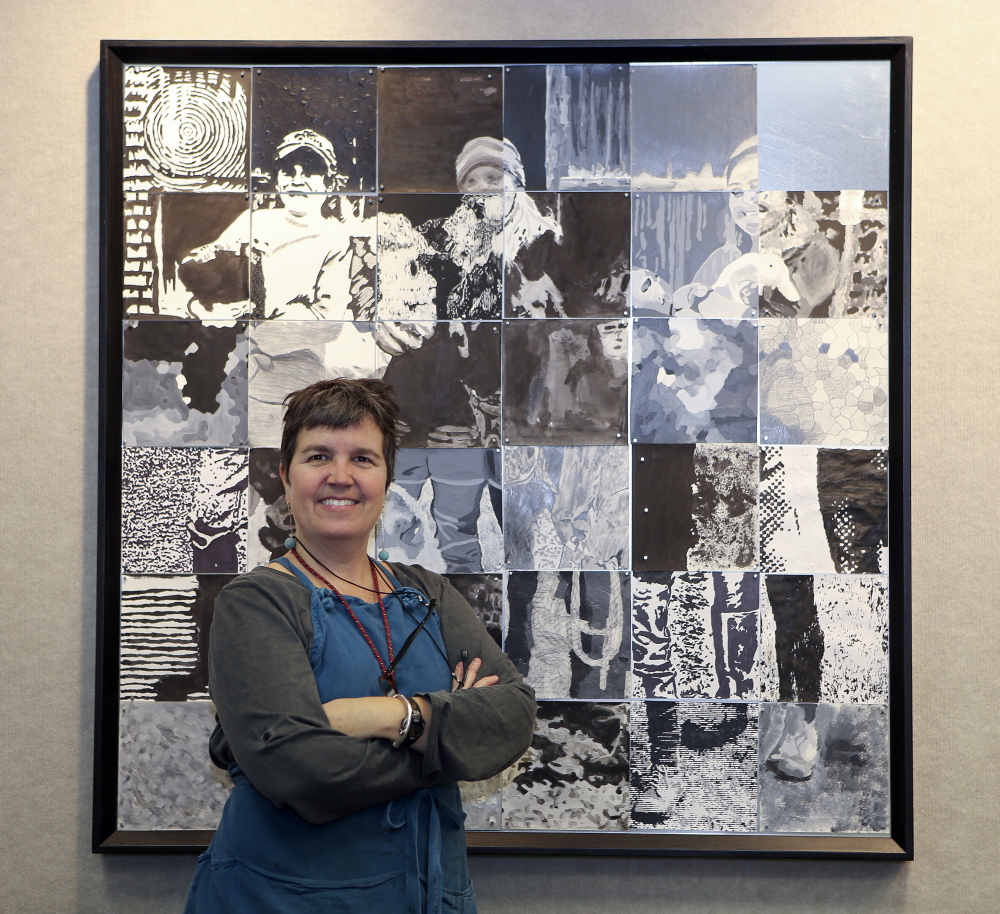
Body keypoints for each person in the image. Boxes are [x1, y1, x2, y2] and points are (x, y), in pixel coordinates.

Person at [185, 379, 536, 913]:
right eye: (318, 455)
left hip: (428, 896)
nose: (340, 477)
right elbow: (302, 773)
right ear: (286, 475)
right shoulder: (254, 604)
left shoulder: (430, 594)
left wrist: (386, 717)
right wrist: (449, 741)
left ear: (388, 477)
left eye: (363, 458)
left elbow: (512, 717)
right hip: (283, 901)